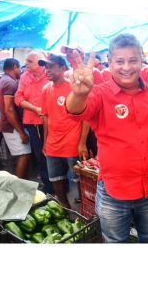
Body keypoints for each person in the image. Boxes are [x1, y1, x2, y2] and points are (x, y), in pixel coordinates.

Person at [66, 33, 148, 243]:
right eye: (119, 61)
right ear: (110, 63)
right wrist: (78, 93)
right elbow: (75, 110)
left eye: (133, 60)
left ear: (142, 60)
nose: (126, 67)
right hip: (114, 193)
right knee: (115, 243)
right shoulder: (99, 94)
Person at [40, 54, 82, 209]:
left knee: (78, 178)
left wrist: (82, 142)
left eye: (51, 66)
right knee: (55, 178)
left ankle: (84, 210)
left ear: (63, 68)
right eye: (45, 67)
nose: (47, 70)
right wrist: (45, 142)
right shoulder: (46, 89)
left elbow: (85, 117)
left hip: (72, 140)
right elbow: (46, 117)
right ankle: (65, 209)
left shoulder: (73, 87)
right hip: (53, 143)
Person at [15, 51, 52, 192]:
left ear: (40, 62)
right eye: (26, 61)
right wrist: (35, 108)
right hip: (33, 122)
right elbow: (18, 98)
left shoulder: (49, 74)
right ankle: (48, 186)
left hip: (52, 122)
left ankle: (60, 184)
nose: (26, 64)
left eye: (30, 61)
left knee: (54, 153)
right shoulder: (25, 76)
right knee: (40, 154)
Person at [0, 58, 32, 178]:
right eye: (20, 67)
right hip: (12, 127)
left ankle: (21, 182)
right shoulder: (10, 83)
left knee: (23, 155)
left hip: (10, 126)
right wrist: (21, 132)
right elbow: (9, 110)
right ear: (15, 66)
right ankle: (19, 185)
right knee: (24, 155)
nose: (21, 70)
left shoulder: (3, 80)